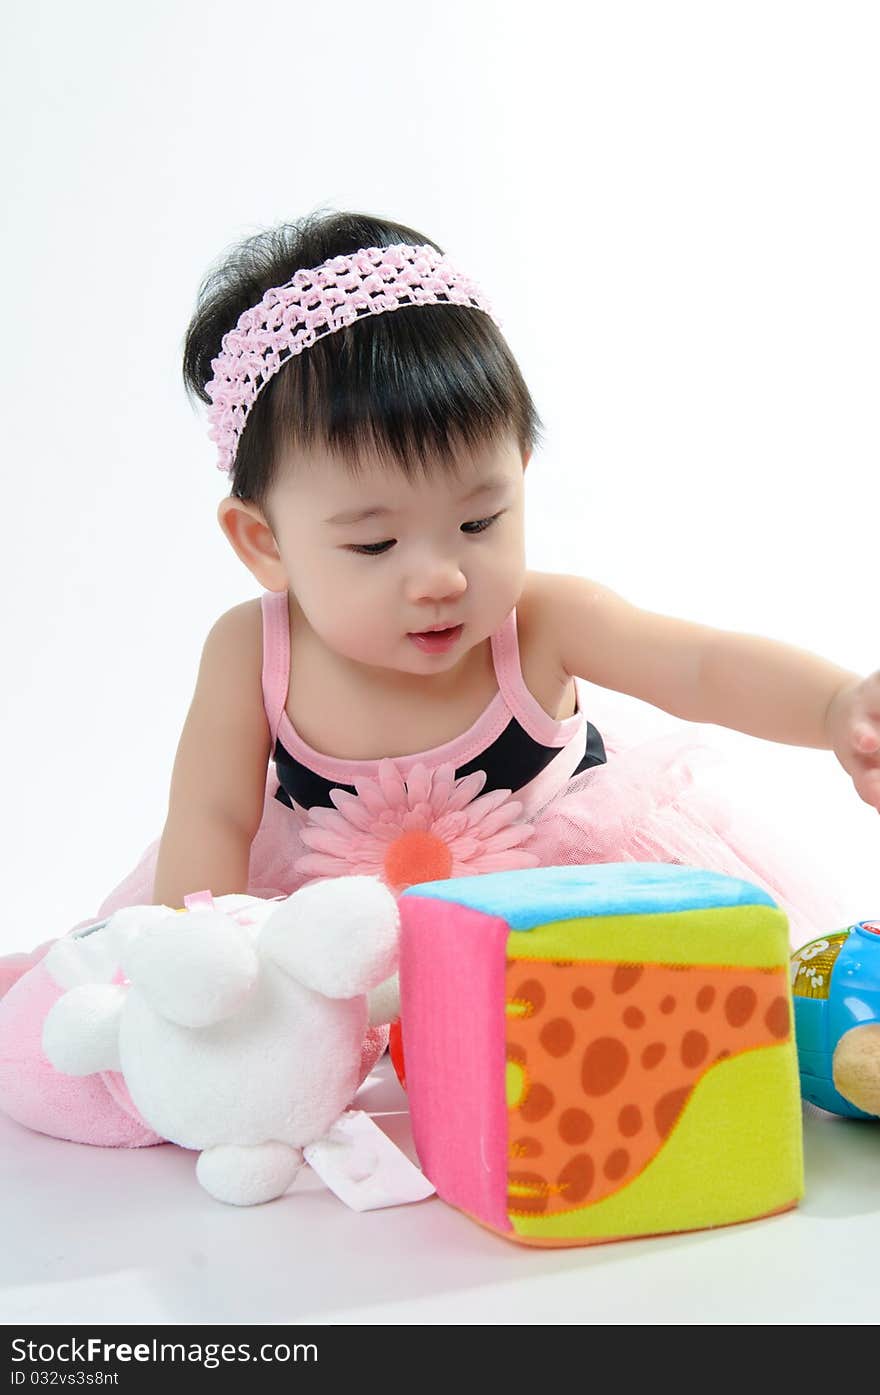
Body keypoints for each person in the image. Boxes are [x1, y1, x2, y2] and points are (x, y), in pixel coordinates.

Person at [1, 208, 878, 1148]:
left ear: (522, 473)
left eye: (479, 520)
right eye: (374, 542)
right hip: (320, 918)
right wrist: (207, 971)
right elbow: (212, 816)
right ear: (265, 542)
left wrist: (833, 707)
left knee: (715, 1018)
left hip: (555, 905)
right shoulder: (249, 652)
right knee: (118, 1044)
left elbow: (697, 665)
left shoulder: (541, 621)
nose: (441, 577)